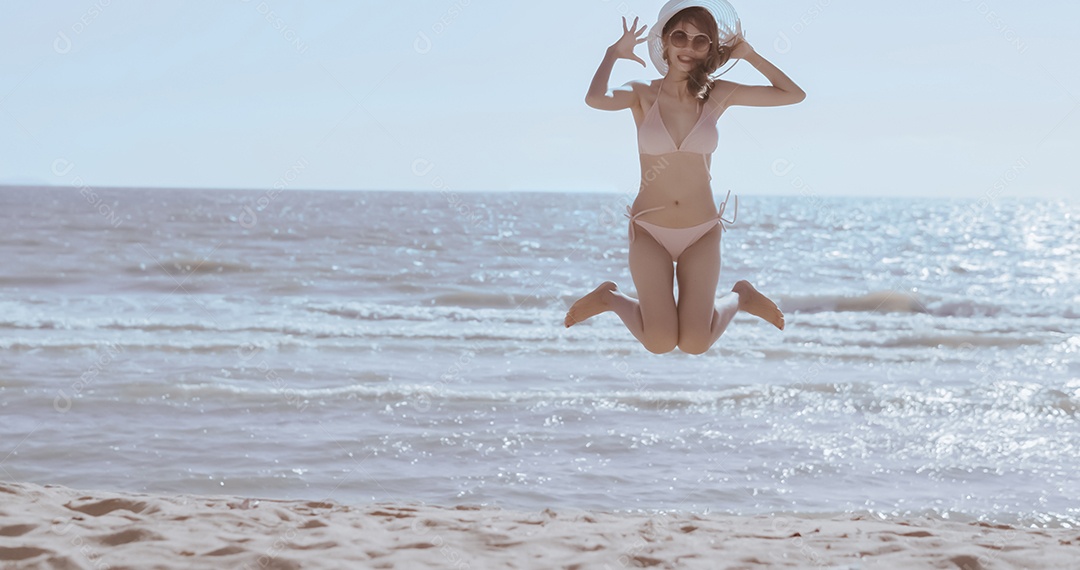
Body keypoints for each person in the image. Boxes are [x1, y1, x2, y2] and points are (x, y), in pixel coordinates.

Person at [564, 1, 805, 354]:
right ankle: (611, 298)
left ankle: (741, 296)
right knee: (659, 341)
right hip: (650, 230)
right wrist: (612, 54)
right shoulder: (641, 93)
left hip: (701, 231)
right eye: (680, 36)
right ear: (664, 41)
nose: (688, 47)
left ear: (711, 48)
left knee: (695, 343)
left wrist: (749, 55)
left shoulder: (717, 94)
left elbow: (793, 95)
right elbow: (595, 99)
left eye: (700, 41)